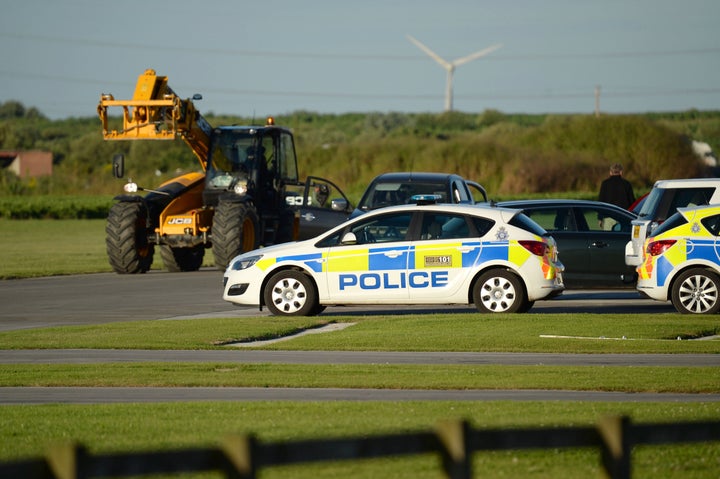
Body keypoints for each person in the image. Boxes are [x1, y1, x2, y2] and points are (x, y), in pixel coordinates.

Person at [598, 163, 635, 229]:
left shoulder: (605, 184)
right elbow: (632, 201)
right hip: (624, 216)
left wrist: (600, 218)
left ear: (610, 172)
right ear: (621, 172)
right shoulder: (626, 184)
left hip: (608, 216)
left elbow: (601, 201)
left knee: (608, 238)